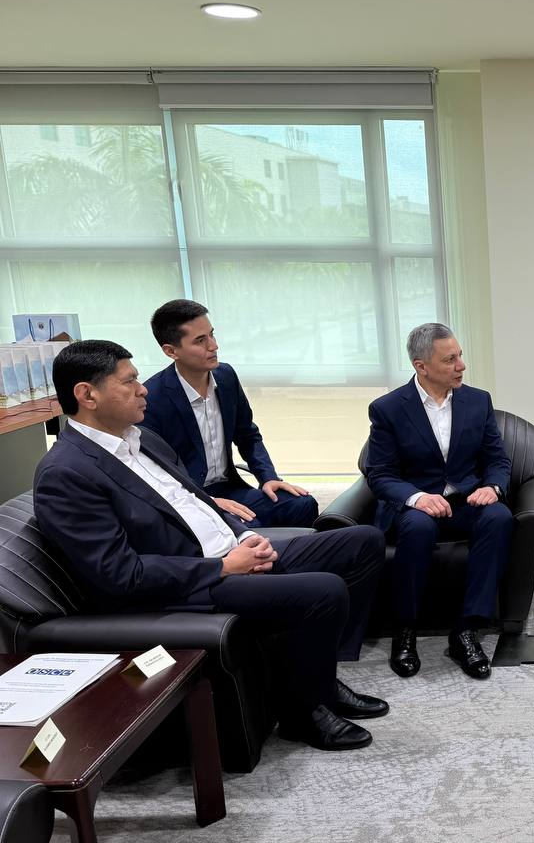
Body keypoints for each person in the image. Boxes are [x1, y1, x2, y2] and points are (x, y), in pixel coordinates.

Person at [35, 340, 388, 752]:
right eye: (129, 382)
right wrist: (225, 566)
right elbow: (119, 575)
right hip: (187, 584)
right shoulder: (66, 473)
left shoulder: (143, 439)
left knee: (362, 542)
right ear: (87, 394)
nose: (143, 389)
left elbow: (199, 501)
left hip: (229, 552)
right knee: (325, 590)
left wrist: (244, 536)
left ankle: (320, 678)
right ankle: (302, 713)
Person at [365, 323, 513, 680]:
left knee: (499, 517)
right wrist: (416, 498)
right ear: (421, 366)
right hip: (415, 504)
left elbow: (497, 459)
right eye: (450, 360)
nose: (461, 365)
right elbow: (380, 474)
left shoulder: (478, 400)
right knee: (417, 528)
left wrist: (493, 487)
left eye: (460, 355)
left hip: (464, 500)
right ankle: (405, 629)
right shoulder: (388, 409)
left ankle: (466, 629)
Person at [141, 299, 318, 530]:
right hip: (191, 499)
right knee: (250, 526)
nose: (213, 346)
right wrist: (207, 501)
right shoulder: (151, 398)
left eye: (212, 335)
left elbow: (248, 435)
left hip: (231, 487)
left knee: (302, 504)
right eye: (200, 341)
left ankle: (301, 554)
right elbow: (154, 472)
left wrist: (268, 477)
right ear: (171, 351)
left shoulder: (225, 376)